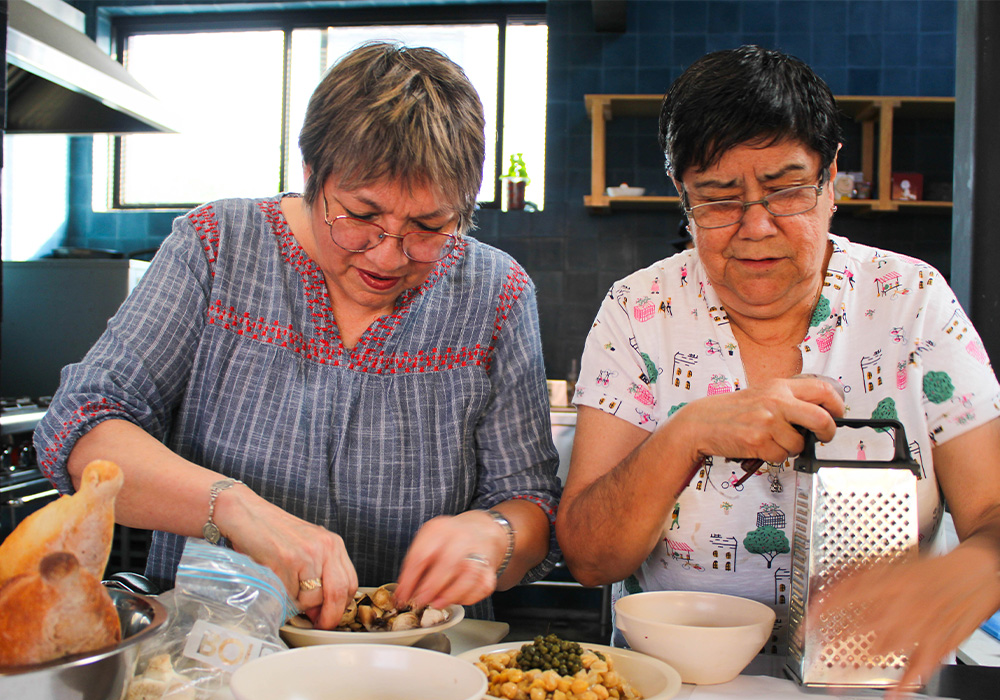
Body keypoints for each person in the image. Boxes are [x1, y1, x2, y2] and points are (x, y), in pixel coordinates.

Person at [34, 41, 560, 631]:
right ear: (312, 175)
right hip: (214, 653)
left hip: (419, 660)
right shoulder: (218, 246)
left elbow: (532, 505)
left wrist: (495, 533)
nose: (388, 255)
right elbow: (80, 428)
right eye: (362, 215)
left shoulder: (496, 293)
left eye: (428, 227)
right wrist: (234, 508)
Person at [556, 45, 1000, 695]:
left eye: (787, 191)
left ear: (830, 179)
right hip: (683, 683)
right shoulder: (638, 310)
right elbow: (591, 558)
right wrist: (687, 433)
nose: (756, 227)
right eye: (718, 199)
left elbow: (992, 510)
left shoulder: (912, 302)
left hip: (877, 681)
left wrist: (978, 568)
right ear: (683, 196)